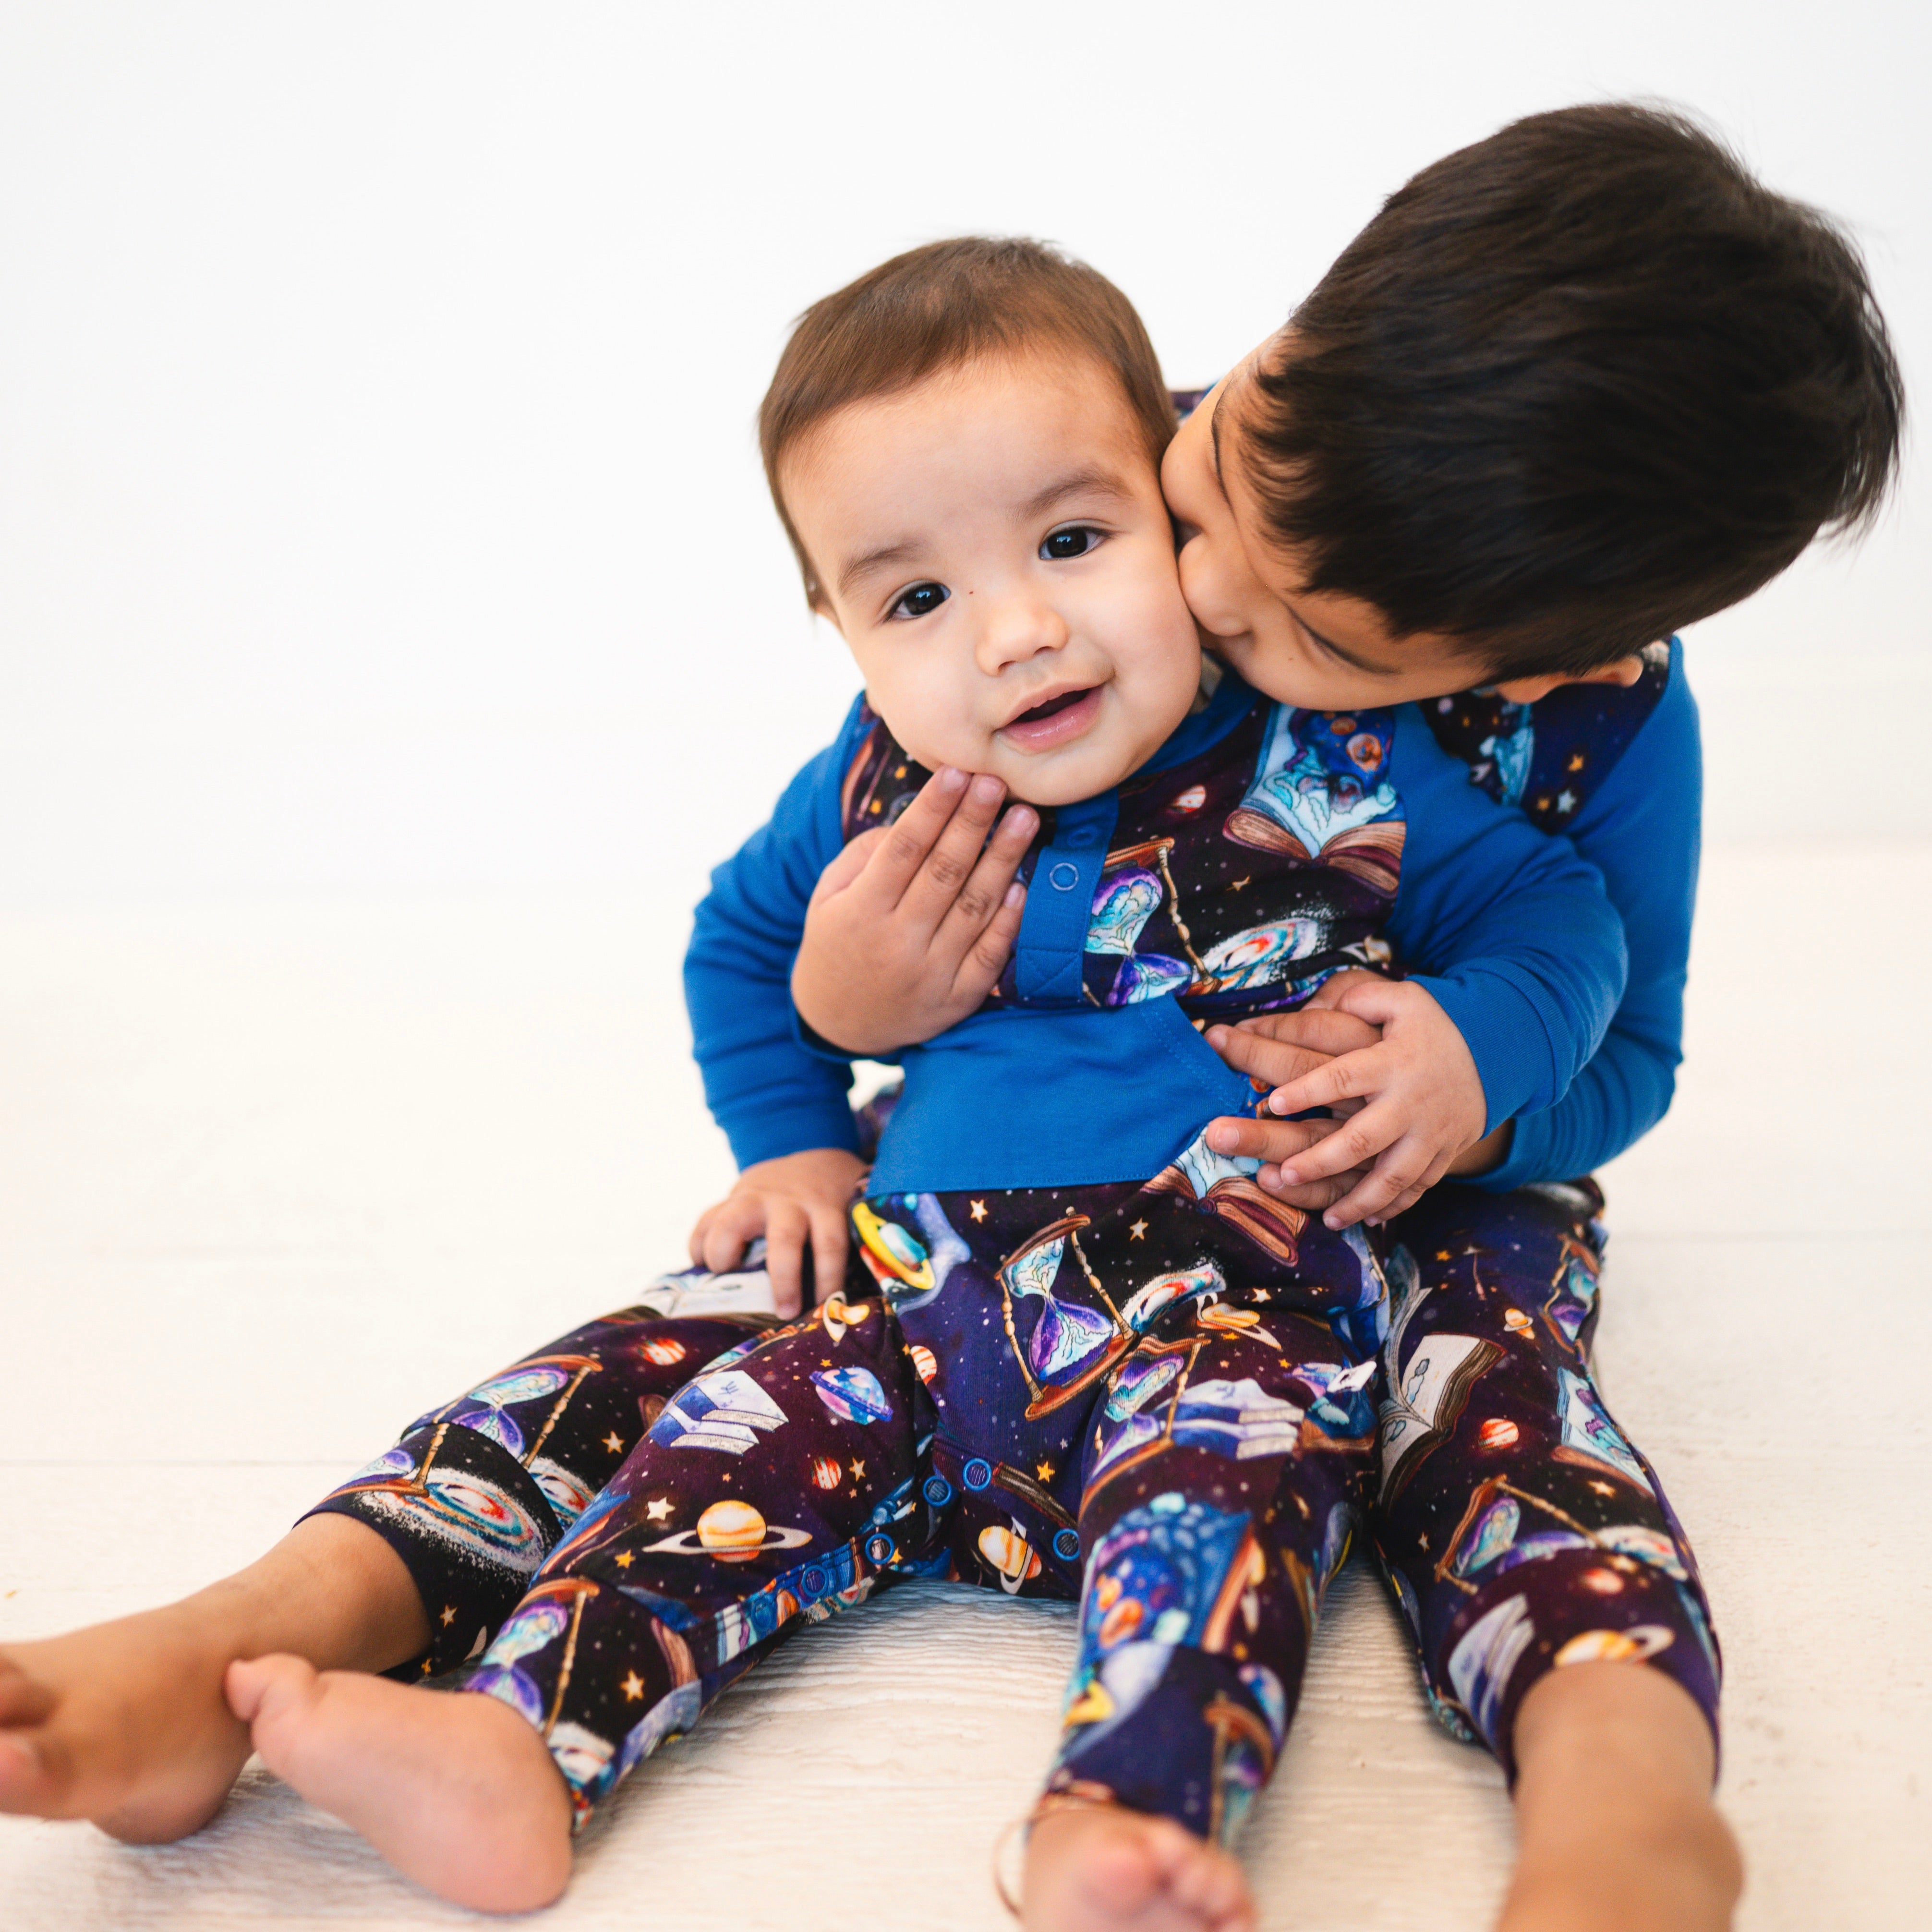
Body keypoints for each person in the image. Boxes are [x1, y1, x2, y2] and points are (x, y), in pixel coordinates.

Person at [0, 104, 1899, 1932]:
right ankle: (257, 1636)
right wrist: (836, 1028)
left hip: (1356, 1207)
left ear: (1524, 665)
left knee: (1494, 1427)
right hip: (957, 1220)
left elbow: (1609, 1028)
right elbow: (812, 861)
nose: (1198, 586)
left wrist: (1465, 1088)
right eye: (1213, 471)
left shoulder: (1573, 724)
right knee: (670, 1357)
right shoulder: (1063, 494)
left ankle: (1625, 1819)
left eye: (1309, 634)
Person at [213, 231, 1627, 1925]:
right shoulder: (872, 787)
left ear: (1177, 523)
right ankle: (516, 1749)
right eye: (917, 598)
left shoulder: (1330, 754)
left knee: (1220, 1523)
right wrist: (796, 1140)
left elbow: (1565, 919)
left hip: (1227, 1303)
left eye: (1076, 541)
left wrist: (1473, 1053)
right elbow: (740, 947)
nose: (1017, 633)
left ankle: (1128, 1819)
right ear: (841, 627)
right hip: (908, 1298)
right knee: (712, 1463)